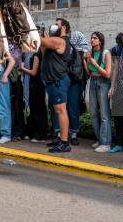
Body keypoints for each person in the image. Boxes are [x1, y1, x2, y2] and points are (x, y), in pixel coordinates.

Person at [41, 18, 73, 153]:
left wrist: (38, 32)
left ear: (64, 28)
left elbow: (41, 41)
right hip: (53, 81)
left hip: (58, 81)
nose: (53, 26)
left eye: (57, 24)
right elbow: (43, 49)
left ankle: (65, 143)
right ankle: (61, 138)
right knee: (58, 111)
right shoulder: (55, 42)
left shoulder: (61, 41)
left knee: (61, 110)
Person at [84, 31, 112, 153]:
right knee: (94, 113)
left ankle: (106, 143)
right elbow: (88, 73)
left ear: (100, 40)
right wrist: (85, 60)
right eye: (91, 38)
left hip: (103, 83)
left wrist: (95, 63)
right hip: (93, 82)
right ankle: (100, 139)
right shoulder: (91, 53)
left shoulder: (106, 53)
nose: (92, 40)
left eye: (94, 38)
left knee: (104, 114)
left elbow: (108, 74)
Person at [67, 30, 90, 145]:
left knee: (73, 108)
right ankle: (67, 133)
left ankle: (74, 133)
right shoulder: (68, 51)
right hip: (70, 83)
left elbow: (87, 72)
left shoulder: (83, 53)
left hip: (76, 83)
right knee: (67, 108)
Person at [20, 49, 48, 142]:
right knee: (36, 109)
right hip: (36, 84)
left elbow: (33, 72)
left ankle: (41, 135)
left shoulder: (37, 54)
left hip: (37, 84)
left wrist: (22, 68)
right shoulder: (35, 53)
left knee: (39, 110)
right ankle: (35, 133)